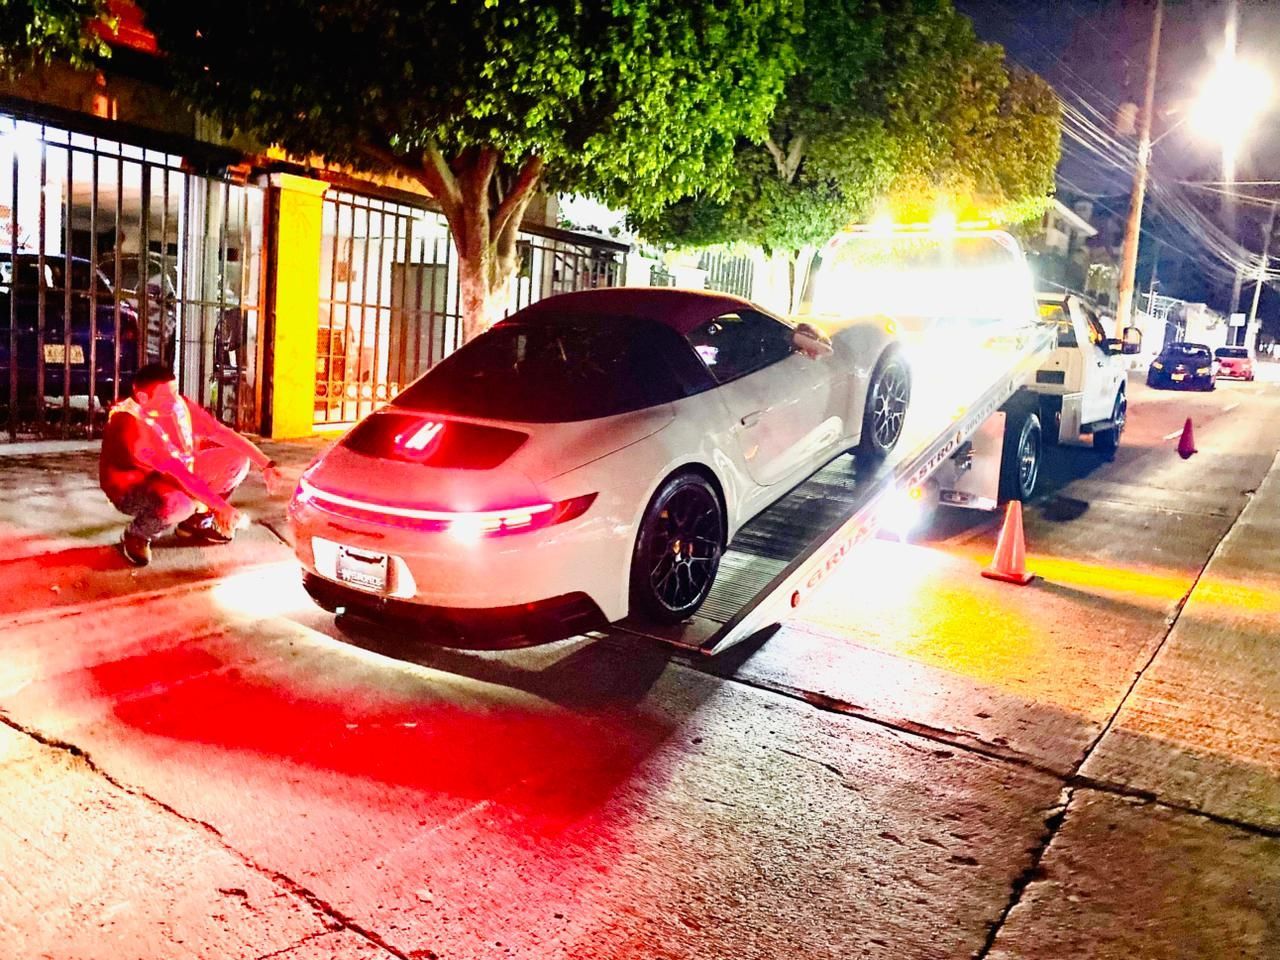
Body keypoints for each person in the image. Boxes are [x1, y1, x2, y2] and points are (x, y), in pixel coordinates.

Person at [99, 362, 284, 567]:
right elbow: (179, 474)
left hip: (174, 473)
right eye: (166, 396)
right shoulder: (130, 426)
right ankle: (137, 534)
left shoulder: (179, 406)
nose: (174, 401)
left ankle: (196, 523)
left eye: (175, 392)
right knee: (181, 504)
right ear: (143, 398)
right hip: (132, 489)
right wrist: (220, 507)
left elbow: (220, 432)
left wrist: (266, 464)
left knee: (237, 460)